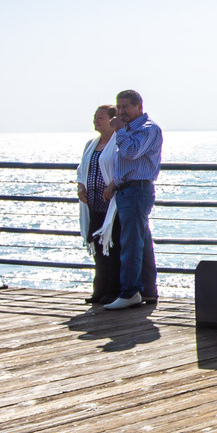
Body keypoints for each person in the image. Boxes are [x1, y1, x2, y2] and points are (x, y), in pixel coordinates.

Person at [104, 90, 162, 310]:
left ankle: (130, 292)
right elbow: (127, 166)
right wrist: (116, 182)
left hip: (138, 191)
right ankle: (147, 290)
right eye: (118, 107)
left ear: (138, 107)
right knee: (141, 242)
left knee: (130, 243)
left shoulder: (148, 129)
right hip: (127, 189)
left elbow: (131, 153)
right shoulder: (128, 129)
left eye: (125, 107)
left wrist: (119, 130)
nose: (120, 112)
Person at [77, 104, 120, 303]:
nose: (96, 120)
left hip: (111, 205)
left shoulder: (119, 142)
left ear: (113, 120)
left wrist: (112, 185)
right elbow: (81, 170)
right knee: (96, 246)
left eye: (100, 117)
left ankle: (113, 290)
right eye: (95, 117)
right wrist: (80, 188)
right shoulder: (91, 144)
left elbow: (121, 169)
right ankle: (99, 289)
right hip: (93, 203)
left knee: (111, 248)